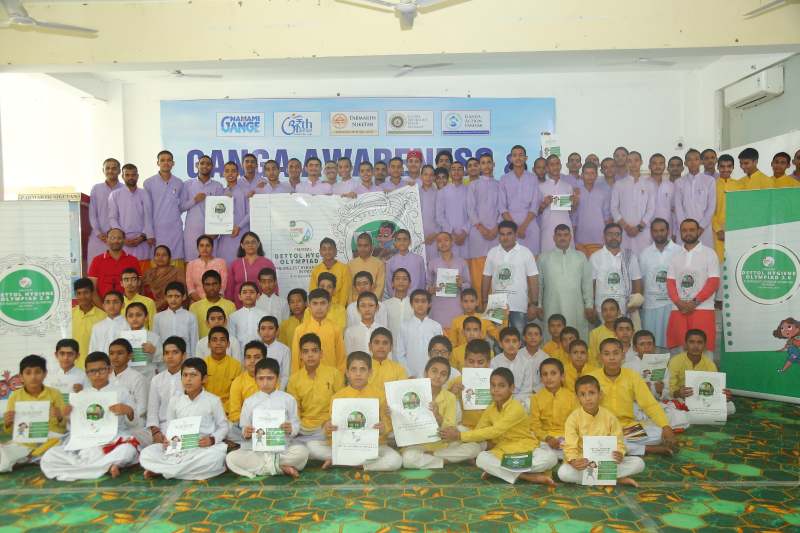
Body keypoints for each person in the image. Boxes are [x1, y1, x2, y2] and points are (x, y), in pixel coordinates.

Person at [440, 367, 557, 485]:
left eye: (501, 386)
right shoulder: (491, 408)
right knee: (482, 459)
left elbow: (495, 431)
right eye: (493, 385)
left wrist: (459, 436)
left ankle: (499, 471)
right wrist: (455, 434)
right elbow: (479, 430)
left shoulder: (516, 407)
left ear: (511, 388)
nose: (496, 389)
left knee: (551, 459)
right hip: (503, 452)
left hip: (526, 449)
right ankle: (527, 476)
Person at [40, 351, 138, 481]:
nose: (97, 374)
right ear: (86, 373)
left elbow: (135, 421)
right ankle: (104, 466)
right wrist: (67, 415)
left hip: (113, 437)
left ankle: (86, 468)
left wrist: (128, 411)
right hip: (87, 440)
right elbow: (75, 427)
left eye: (101, 370)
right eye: (92, 371)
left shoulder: (121, 391)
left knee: (128, 449)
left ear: (109, 370)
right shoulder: (81, 396)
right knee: (49, 456)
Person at [140, 358, 229, 480]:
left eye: (193, 375)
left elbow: (223, 426)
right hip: (179, 448)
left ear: (204, 379)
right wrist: (167, 440)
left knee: (216, 457)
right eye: (185, 375)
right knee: (147, 453)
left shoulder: (213, 400)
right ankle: (177, 470)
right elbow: (170, 427)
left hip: (203, 448)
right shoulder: (175, 401)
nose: (188, 379)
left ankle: (164, 470)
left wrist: (212, 439)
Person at [590, 338, 676, 456]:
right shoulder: (591, 378)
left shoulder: (632, 376)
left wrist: (666, 427)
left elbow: (649, 404)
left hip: (627, 428)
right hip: (602, 429)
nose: (612, 358)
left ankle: (621, 447)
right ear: (600, 357)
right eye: (607, 354)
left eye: (616, 353)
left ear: (623, 355)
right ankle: (646, 449)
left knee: (658, 433)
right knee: (593, 438)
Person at [317, 352, 402, 471]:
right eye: (353, 369)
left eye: (363, 369)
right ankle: (350, 459)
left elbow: (387, 425)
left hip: (374, 446)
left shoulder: (380, 395)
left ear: (370, 373)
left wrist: (384, 428)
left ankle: (356, 464)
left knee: (395, 461)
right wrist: (328, 428)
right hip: (347, 446)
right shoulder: (338, 398)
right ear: (347, 373)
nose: (358, 374)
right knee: (312, 446)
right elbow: (332, 430)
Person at [226, 358, 309, 478]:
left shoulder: (288, 399)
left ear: (277, 378)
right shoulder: (249, 402)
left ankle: (267, 467)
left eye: (270, 378)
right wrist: (246, 432)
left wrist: (291, 428)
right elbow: (244, 428)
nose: (265, 383)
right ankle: (279, 467)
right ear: (255, 379)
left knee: (302, 452)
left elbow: (296, 424)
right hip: (257, 451)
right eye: (261, 378)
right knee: (231, 458)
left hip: (282, 449)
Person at [557, 375, 645, 486]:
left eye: (592, 393)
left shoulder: (610, 417)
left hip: (606, 462)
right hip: (584, 462)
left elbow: (619, 442)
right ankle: (614, 479)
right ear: (577, 398)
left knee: (639, 463)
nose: (588, 398)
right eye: (582, 394)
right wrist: (574, 461)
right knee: (563, 473)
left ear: (600, 394)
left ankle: (596, 478)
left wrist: (619, 453)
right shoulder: (573, 419)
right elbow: (570, 446)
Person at [402, 357, 476, 469]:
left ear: (446, 379)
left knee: (474, 448)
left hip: (441, 444)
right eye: (434, 371)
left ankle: (433, 456)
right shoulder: (411, 393)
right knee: (408, 459)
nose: (438, 376)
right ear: (425, 373)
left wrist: (437, 416)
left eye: (443, 374)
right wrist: (393, 412)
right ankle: (446, 460)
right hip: (418, 444)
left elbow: (449, 429)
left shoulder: (450, 397)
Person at [0, 355, 65, 472]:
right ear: (21, 376)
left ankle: (30, 457)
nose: (33, 377)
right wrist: (8, 422)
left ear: (45, 374)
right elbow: (11, 431)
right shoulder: (15, 396)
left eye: (37, 372)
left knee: (63, 442)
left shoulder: (55, 394)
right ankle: (34, 457)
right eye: (28, 373)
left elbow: (63, 426)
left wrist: (60, 416)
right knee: (4, 453)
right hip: (25, 442)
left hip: (50, 439)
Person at [666, 218, 720, 350]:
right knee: (680, 350)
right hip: (679, 309)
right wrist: (679, 303)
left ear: (698, 231)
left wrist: (694, 303)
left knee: (703, 350)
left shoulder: (709, 253)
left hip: (703, 309)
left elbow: (713, 282)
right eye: (684, 230)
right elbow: (670, 283)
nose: (688, 233)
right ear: (680, 233)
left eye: (691, 230)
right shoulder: (675, 255)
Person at [286, 333, 345, 451]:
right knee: (285, 443)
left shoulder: (334, 374)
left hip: (326, 427)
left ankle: (312, 449)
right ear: (301, 355)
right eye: (305, 351)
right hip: (303, 429)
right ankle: (315, 449)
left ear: (321, 353)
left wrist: (331, 422)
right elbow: (294, 409)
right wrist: (295, 428)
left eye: (314, 351)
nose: (310, 355)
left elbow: (342, 404)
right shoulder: (294, 379)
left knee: (310, 448)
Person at [481, 220, 541, 333]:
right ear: (498, 236)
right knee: (496, 338)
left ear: (515, 234)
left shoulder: (525, 252)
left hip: (518, 304)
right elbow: (486, 277)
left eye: (509, 234)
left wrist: (534, 303)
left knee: (519, 338)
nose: (505, 237)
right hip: (496, 304)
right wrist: (484, 301)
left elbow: (533, 279)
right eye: (502, 234)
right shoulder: (492, 252)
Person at [538, 224, 594, 340]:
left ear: (570, 237)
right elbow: (539, 284)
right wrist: (538, 305)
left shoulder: (580, 257)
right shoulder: (544, 258)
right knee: (552, 336)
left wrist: (589, 305)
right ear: (554, 238)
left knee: (575, 337)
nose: (562, 238)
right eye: (559, 235)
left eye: (565, 235)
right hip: (551, 305)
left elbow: (587, 284)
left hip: (576, 306)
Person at [668, 329, 735, 415]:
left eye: (699, 342)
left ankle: (695, 412)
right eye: (691, 342)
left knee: (730, 407)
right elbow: (669, 388)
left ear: (704, 345)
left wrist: (724, 396)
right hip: (681, 399)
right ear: (686, 344)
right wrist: (679, 393)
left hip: (702, 400)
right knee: (671, 407)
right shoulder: (675, 361)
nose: (695, 346)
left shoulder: (710, 364)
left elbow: (714, 388)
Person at [638, 218, 680, 347]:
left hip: (672, 306)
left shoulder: (679, 251)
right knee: (651, 343)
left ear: (668, 231)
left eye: (662, 230)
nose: (659, 234)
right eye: (655, 231)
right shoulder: (644, 254)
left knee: (672, 343)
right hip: (651, 306)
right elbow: (641, 281)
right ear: (651, 232)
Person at [466, 153, 502, 296]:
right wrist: (481, 228)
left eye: (489, 162)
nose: (486, 165)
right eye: (483, 163)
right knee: (478, 272)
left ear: (493, 165)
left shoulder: (499, 185)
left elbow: (502, 208)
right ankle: (480, 304)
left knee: (497, 269)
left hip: (496, 233)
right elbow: (470, 209)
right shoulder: (473, 185)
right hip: (477, 233)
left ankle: (496, 306)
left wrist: (496, 228)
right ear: (479, 166)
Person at [529, 357, 578, 460]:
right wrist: (547, 438)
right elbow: (535, 426)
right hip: (545, 440)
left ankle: (555, 458)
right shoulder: (536, 398)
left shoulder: (572, 397)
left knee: (576, 447)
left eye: (553, 373)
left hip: (566, 438)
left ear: (562, 376)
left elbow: (576, 423)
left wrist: (565, 439)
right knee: (533, 445)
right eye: (545, 374)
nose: (549, 377)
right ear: (541, 378)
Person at [144, 150, 186, 267]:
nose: (166, 163)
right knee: (158, 262)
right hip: (157, 232)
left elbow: (181, 207)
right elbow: (147, 210)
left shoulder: (179, 183)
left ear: (173, 163)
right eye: (162, 160)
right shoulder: (148, 183)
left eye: (169, 160)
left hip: (175, 230)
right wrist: (149, 233)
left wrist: (194, 200)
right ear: (158, 163)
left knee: (176, 262)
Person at [108, 163, 155, 269]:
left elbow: (148, 217)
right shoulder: (115, 195)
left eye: (133, 175)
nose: (130, 177)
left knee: (143, 274)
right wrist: (122, 238)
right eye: (127, 175)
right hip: (123, 242)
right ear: (122, 176)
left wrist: (142, 237)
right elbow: (112, 218)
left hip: (142, 241)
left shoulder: (144, 194)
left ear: (137, 176)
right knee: (125, 274)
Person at [590, 223, 643, 317]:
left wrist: (635, 303)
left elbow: (637, 281)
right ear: (604, 236)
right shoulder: (595, 257)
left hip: (624, 309)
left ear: (621, 237)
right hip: (602, 310)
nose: (614, 237)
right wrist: (591, 306)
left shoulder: (630, 256)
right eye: (610, 234)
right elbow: (591, 284)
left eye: (617, 234)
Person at [181, 155, 225, 262]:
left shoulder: (218, 186)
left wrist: (216, 232)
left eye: (208, 164)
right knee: (191, 263)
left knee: (211, 264)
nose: (205, 166)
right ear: (197, 165)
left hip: (211, 233)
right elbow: (181, 207)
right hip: (192, 232)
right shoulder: (187, 184)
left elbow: (221, 212)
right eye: (202, 163)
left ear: (212, 167)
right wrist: (194, 200)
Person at [500, 145, 543, 255]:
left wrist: (523, 226)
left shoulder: (533, 178)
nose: (518, 158)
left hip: (530, 224)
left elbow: (534, 205)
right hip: (509, 227)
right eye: (515, 155)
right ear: (510, 159)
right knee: (511, 260)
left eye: (521, 155)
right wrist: (514, 228)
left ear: (526, 158)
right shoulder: (504, 179)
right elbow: (502, 207)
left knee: (531, 258)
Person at [290, 288, 346, 373]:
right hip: (306, 378)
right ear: (309, 306)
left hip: (330, 377)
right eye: (315, 303)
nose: (319, 308)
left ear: (329, 305)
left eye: (323, 303)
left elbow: (341, 358)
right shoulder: (300, 330)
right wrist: (297, 379)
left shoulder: (335, 329)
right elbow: (295, 360)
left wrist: (339, 377)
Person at [108, 338, 150, 446]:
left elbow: (142, 409)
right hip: (110, 427)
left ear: (129, 356)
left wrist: (128, 413)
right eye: (111, 353)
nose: (115, 357)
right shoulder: (107, 378)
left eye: (120, 353)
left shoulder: (138, 378)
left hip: (134, 428)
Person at [611, 155, 656, 254]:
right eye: (629, 161)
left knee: (645, 259)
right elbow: (614, 208)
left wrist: (639, 227)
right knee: (626, 260)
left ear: (641, 162)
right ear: (626, 163)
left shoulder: (649, 184)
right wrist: (627, 227)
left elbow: (651, 209)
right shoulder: (619, 184)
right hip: (624, 232)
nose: (633, 164)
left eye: (636, 160)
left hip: (643, 232)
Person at [146, 337, 186, 446]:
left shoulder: (190, 378)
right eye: (166, 353)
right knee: (147, 452)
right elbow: (152, 411)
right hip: (162, 428)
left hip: (185, 427)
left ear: (184, 355)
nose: (170, 356)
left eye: (175, 352)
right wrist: (156, 432)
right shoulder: (156, 380)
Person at [396, 289, 444, 378]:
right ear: (411, 304)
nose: (420, 304)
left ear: (429, 304)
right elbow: (400, 354)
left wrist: (434, 372)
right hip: (410, 375)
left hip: (432, 374)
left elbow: (439, 352)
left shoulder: (436, 326)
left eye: (423, 301)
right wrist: (408, 374)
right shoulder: (404, 326)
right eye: (416, 301)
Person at [427, 232, 471, 328]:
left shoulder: (461, 262)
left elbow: (468, 284)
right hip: (438, 304)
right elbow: (427, 284)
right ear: (436, 245)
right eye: (439, 241)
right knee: (438, 332)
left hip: (456, 304)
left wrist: (461, 285)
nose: (443, 243)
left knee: (456, 330)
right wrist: (430, 289)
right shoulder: (432, 263)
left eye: (446, 240)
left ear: (452, 242)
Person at [674, 149, 716, 248]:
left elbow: (711, 207)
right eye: (689, 160)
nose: (693, 162)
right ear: (685, 163)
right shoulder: (679, 182)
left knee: (704, 254)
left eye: (696, 159)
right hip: (684, 230)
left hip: (704, 229)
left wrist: (701, 227)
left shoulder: (709, 181)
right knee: (683, 255)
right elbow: (678, 208)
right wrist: (685, 228)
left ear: (701, 162)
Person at [88, 228, 142, 301]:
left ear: (124, 240)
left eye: (119, 238)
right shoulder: (97, 260)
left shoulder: (133, 260)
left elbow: (138, 287)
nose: (116, 241)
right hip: (102, 306)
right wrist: (103, 307)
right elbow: (92, 290)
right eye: (112, 238)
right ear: (106, 240)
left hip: (128, 306)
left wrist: (129, 306)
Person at [226, 232, 277, 308]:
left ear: (258, 244)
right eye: (247, 242)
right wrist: (229, 306)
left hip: (263, 306)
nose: (250, 245)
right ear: (242, 245)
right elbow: (230, 288)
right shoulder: (235, 264)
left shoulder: (267, 263)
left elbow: (274, 286)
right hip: (240, 306)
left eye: (253, 242)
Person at [537, 155, 576, 254]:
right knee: (548, 258)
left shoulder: (568, 187)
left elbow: (571, 211)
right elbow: (536, 212)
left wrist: (575, 202)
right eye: (552, 164)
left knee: (568, 257)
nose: (555, 167)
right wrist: (543, 205)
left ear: (561, 166)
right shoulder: (540, 187)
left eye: (557, 164)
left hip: (566, 228)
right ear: (547, 168)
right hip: (548, 229)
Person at [88, 158, 124, 261]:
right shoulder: (96, 189)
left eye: (114, 168)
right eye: (107, 168)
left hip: (119, 240)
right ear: (103, 170)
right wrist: (99, 233)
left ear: (119, 171)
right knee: (96, 268)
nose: (110, 171)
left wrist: (119, 235)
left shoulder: (125, 189)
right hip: (99, 238)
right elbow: (92, 214)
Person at [227, 341, 265, 438]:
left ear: (265, 359)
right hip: (245, 426)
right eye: (248, 357)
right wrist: (248, 424)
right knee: (228, 428)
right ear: (244, 360)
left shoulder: (271, 380)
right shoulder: (238, 382)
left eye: (257, 357)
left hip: (267, 422)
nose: (252, 361)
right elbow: (234, 414)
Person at [573, 162, 612, 257]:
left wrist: (609, 236)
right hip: (580, 237)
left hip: (600, 237)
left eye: (592, 173)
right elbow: (573, 217)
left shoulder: (604, 192)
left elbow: (606, 217)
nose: (590, 176)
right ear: (582, 175)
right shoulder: (575, 192)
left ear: (596, 175)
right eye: (587, 173)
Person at [711, 154, 746, 262]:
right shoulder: (712, 186)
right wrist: (718, 230)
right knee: (719, 261)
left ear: (733, 167)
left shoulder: (740, 185)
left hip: (736, 230)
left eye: (729, 166)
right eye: (722, 166)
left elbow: (744, 209)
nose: (726, 169)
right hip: (718, 232)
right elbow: (709, 211)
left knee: (736, 261)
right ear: (718, 167)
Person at [215, 161, 251, 264]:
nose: (230, 173)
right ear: (223, 174)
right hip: (225, 236)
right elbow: (217, 214)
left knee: (241, 265)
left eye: (233, 171)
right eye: (227, 171)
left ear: (238, 173)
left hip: (241, 233)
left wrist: (239, 226)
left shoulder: (245, 191)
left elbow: (250, 212)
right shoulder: (221, 192)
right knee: (224, 266)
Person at [490, 327, 534, 409]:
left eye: (514, 341)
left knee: (529, 402)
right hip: (500, 398)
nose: (511, 344)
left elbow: (527, 390)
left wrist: (512, 402)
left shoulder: (526, 363)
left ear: (519, 344)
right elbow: (492, 386)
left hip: (520, 400)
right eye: (507, 341)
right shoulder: (494, 362)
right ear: (500, 344)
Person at [435, 160, 470, 259]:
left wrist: (464, 232)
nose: (456, 172)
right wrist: (452, 234)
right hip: (448, 236)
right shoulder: (442, 192)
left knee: (464, 264)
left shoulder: (469, 191)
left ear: (464, 172)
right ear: (450, 172)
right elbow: (439, 216)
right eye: (453, 169)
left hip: (466, 237)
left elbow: (473, 214)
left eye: (459, 169)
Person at [203, 326, 242, 412]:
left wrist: (224, 409)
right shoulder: (202, 364)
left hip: (229, 410)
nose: (218, 343)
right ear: (208, 344)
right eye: (214, 340)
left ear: (228, 344)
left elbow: (237, 393)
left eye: (222, 340)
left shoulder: (236, 365)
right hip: (206, 409)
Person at [190, 270, 237, 339]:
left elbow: (232, 331)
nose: (211, 288)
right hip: (202, 345)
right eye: (208, 284)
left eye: (214, 284)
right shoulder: (195, 307)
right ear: (203, 286)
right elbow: (192, 333)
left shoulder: (230, 305)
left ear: (220, 285)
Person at [71, 278, 106, 368]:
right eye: (79, 293)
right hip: (74, 367)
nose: (82, 297)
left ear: (92, 293)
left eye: (86, 292)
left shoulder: (103, 317)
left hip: (96, 368)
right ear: (75, 295)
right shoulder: (69, 315)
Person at [185, 235, 228, 303]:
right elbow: (191, 289)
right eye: (201, 245)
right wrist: (203, 304)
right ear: (197, 248)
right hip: (196, 302)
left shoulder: (221, 262)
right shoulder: (191, 264)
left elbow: (222, 287)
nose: (204, 248)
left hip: (217, 302)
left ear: (212, 247)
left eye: (207, 245)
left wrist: (212, 303)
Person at [309, 238, 351, 307]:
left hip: (338, 306)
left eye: (330, 249)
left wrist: (339, 309)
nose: (327, 252)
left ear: (335, 251)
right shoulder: (316, 270)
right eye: (324, 249)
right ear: (320, 252)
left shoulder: (344, 268)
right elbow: (313, 292)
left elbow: (345, 292)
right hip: (320, 307)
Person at [143, 245, 186, 311]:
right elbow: (141, 292)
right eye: (157, 255)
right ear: (154, 258)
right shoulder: (148, 273)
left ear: (169, 258)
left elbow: (182, 291)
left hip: (171, 308)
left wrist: (161, 303)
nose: (160, 257)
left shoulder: (177, 271)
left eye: (164, 255)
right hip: (148, 308)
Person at [384, 228, 426, 297]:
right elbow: (389, 284)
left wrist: (419, 297)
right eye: (399, 239)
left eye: (405, 239)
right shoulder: (390, 262)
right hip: (398, 300)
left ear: (410, 242)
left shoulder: (419, 259)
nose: (402, 242)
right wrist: (395, 298)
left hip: (415, 299)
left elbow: (422, 282)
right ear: (395, 242)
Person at [348, 233, 386, 302]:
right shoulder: (350, 264)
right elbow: (349, 288)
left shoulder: (379, 264)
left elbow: (380, 288)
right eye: (360, 245)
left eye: (365, 245)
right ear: (357, 247)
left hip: (373, 303)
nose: (362, 249)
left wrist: (371, 303)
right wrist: (351, 305)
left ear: (371, 246)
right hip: (355, 303)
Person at [229, 282, 269, 347]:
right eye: (244, 292)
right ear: (239, 296)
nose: (248, 295)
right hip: (240, 351)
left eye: (252, 292)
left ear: (258, 296)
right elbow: (232, 338)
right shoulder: (233, 316)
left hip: (261, 350)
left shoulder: (265, 315)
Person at [258, 316, 291, 389]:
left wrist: (278, 391)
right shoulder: (254, 349)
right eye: (263, 328)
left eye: (270, 328)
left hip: (277, 389)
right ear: (258, 332)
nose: (266, 332)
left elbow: (285, 375)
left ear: (277, 331)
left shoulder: (285, 349)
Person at [588, 298, 621, 367]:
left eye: (612, 309)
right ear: (601, 313)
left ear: (618, 312)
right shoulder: (594, 333)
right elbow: (592, 359)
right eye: (605, 310)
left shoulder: (624, 332)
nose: (608, 313)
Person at [649, 153, 676, 234]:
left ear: (665, 166)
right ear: (649, 166)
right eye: (654, 163)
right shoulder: (643, 185)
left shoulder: (671, 186)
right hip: (647, 229)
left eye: (661, 163)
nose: (658, 166)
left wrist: (674, 231)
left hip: (667, 229)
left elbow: (674, 210)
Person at [418, 163, 440, 260]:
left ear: (434, 177)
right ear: (421, 176)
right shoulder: (414, 193)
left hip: (433, 237)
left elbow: (442, 217)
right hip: (417, 237)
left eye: (431, 175)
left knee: (433, 264)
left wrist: (435, 234)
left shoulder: (439, 194)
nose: (428, 177)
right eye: (425, 174)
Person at [383, 268, 414, 334]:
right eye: (397, 278)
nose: (401, 281)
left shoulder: (415, 304)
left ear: (410, 284)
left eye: (404, 279)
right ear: (392, 283)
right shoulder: (384, 305)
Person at [520, 322, 547, 391]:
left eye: (536, 334)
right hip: (519, 393)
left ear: (541, 338)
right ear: (524, 337)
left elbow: (547, 380)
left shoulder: (546, 358)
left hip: (539, 393)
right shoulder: (516, 356)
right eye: (529, 334)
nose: (533, 337)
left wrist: (535, 391)